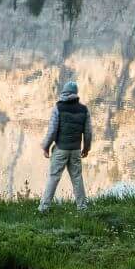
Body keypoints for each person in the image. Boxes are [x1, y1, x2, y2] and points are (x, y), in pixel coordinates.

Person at [39, 79, 92, 212]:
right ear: (76, 93)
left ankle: (44, 208)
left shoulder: (58, 107)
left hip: (61, 149)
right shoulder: (84, 110)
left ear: (64, 92)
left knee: (54, 177)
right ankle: (82, 208)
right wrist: (86, 148)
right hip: (75, 150)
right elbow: (88, 132)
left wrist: (46, 147)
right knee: (77, 178)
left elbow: (52, 131)